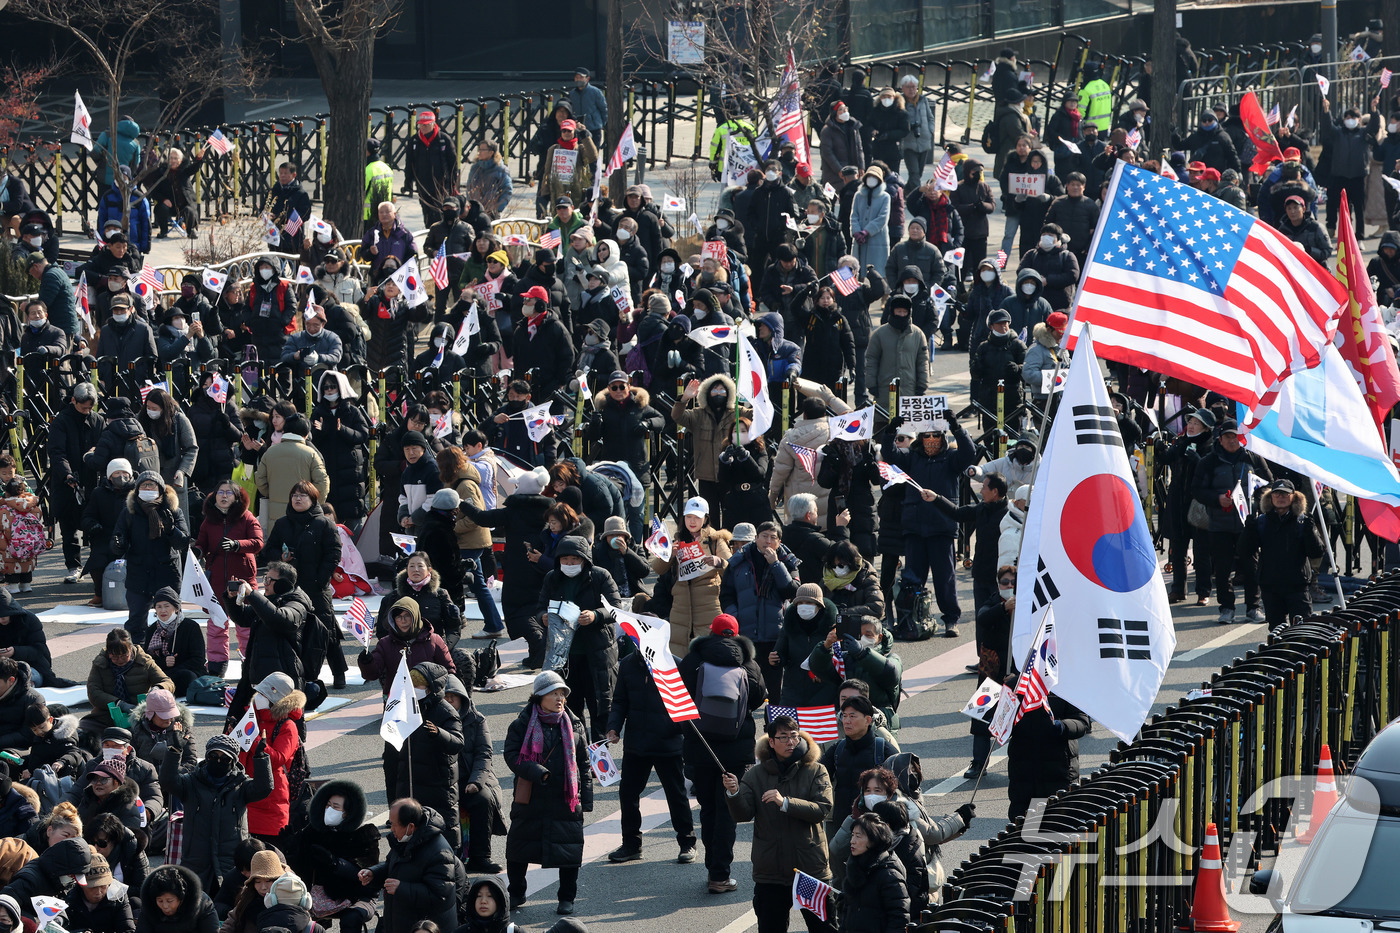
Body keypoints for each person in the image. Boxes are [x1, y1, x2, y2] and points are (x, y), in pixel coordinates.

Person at [722, 714, 833, 933]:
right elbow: (742, 814)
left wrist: (786, 803)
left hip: (809, 867)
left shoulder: (816, 770)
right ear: (771, 742)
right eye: (783, 737)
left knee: (824, 928)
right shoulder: (755, 775)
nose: (790, 742)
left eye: (794, 736)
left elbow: (823, 809)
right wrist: (733, 793)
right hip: (771, 871)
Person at [502, 673, 593, 915]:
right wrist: (535, 771)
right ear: (539, 695)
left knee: (569, 851)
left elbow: (583, 763)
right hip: (531, 796)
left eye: (562, 693)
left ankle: (566, 898)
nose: (559, 698)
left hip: (566, 799)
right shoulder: (522, 723)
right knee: (518, 848)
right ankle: (517, 892)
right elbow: (512, 755)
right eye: (554, 693)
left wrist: (586, 798)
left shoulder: (574, 724)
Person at [603, 645, 696, 865]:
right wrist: (613, 727)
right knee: (628, 794)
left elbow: (688, 704)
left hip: (668, 742)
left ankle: (687, 843)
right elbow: (619, 701)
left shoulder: (675, 664)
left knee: (676, 795)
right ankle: (631, 844)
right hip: (637, 743)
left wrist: (679, 731)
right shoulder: (627, 664)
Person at [889, 412, 977, 637]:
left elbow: (970, 453)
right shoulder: (912, 457)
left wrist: (957, 426)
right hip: (915, 526)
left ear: (943, 437)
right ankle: (912, 618)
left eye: (935, 436)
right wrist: (892, 430)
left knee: (944, 577)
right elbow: (890, 454)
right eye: (926, 435)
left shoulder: (951, 458)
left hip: (941, 526)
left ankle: (950, 619)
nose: (930, 440)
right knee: (913, 577)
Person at [159, 732, 272, 895]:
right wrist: (175, 750)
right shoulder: (190, 782)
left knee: (230, 909)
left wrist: (261, 757)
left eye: (225, 758)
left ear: (233, 762)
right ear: (206, 757)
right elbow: (167, 781)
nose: (219, 761)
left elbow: (264, 788)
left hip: (230, 860)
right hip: (196, 859)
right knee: (195, 905)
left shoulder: (240, 786)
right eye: (214, 756)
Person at [1191, 419, 1273, 623]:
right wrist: (1217, 499)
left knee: (1251, 567)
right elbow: (1197, 490)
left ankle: (1253, 607)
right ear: (1220, 438)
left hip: (1248, 522)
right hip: (1219, 523)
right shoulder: (1208, 461)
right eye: (1228, 436)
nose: (1232, 440)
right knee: (1222, 568)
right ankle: (1226, 608)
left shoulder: (1253, 458)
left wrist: (1257, 496)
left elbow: (1269, 484)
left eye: (1236, 436)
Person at [263, 481, 344, 686]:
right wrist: (281, 557)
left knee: (326, 630)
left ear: (313, 499)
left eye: (303, 496)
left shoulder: (324, 524)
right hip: (288, 588)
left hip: (316, 586)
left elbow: (333, 553)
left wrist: (321, 579)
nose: (298, 499)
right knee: (292, 630)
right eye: (294, 495)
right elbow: (268, 550)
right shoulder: (282, 523)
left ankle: (339, 672)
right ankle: (299, 674)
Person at [721, 522, 800, 702]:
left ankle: (773, 727)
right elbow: (726, 594)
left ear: (779, 542)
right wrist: (736, 618)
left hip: (775, 635)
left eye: (773, 538)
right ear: (756, 538)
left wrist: (776, 565)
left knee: (774, 691)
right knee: (746, 687)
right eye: (764, 536)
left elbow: (793, 591)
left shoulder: (787, 561)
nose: (768, 541)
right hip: (746, 634)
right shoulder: (740, 560)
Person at [290, 780, 380, 933]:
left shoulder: (364, 836)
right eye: (328, 805)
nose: (329, 809)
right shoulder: (314, 832)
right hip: (320, 895)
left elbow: (366, 875)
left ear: (347, 812)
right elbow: (299, 869)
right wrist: (290, 849)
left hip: (356, 896)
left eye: (335, 807)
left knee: (351, 918)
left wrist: (335, 864)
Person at [1237, 480, 1325, 625]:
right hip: (1270, 586)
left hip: (1297, 585)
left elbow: (1317, 552)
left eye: (1285, 494)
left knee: (1302, 630)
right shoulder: (1262, 521)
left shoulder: (1302, 521)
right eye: (1277, 493)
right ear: (1270, 497)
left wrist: (1310, 532)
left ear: (1293, 497)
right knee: (1276, 630)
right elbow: (1245, 551)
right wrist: (1248, 530)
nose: (1280, 497)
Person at [1004, 677, 1091, 820]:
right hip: (1023, 770)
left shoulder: (1066, 685)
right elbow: (998, 718)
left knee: (1059, 824)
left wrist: (1063, 726)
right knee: (1025, 828)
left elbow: (1082, 721)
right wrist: (996, 724)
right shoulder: (1015, 684)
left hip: (1059, 768)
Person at [80, 629, 174, 733]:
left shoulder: (144, 661)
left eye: (124, 655)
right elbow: (93, 692)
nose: (120, 660)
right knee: (83, 730)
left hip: (141, 713)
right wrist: (119, 704)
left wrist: (157, 689)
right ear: (108, 652)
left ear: (131, 649)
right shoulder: (100, 664)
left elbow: (167, 682)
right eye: (115, 657)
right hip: (107, 714)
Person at [254, 417, 330, 536]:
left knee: (278, 549)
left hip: (275, 515)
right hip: (305, 515)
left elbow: (259, 479)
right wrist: (313, 503)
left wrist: (272, 494)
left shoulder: (270, 452)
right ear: (306, 434)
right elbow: (322, 483)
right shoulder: (311, 453)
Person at [836, 813, 909, 933]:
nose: (852, 841)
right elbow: (846, 910)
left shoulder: (889, 875)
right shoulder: (854, 867)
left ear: (873, 840)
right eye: (852, 835)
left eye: (858, 836)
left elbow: (899, 918)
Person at [1, 837, 93, 916]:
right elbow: (4, 904)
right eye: (71, 876)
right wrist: (31, 920)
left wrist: (59, 919)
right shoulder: (29, 880)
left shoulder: (60, 881)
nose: (72, 881)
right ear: (61, 868)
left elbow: (60, 905)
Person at [144, 587, 207, 696]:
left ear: (176, 608)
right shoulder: (152, 629)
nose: (163, 610)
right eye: (159, 607)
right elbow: (147, 659)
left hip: (185, 672)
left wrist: (174, 668)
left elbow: (198, 659)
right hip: (161, 672)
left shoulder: (191, 627)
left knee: (187, 676)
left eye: (167, 606)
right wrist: (164, 663)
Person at [865, 297, 928, 399]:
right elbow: (871, 360)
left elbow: (923, 361)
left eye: (905, 311)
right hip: (884, 390)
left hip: (910, 390)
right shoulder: (879, 334)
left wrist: (922, 384)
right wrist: (871, 384)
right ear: (892, 311)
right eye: (899, 311)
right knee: (884, 414)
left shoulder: (918, 334)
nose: (902, 314)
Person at [405, 111, 459, 221]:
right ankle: (430, 233)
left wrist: (453, 183)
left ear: (433, 124)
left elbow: (453, 164)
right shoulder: (414, 141)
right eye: (421, 125)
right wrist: (408, 181)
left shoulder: (444, 140)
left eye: (426, 124)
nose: (423, 127)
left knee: (441, 211)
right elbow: (409, 162)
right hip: (423, 184)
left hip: (441, 184)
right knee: (427, 212)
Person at [136, 864, 219, 933]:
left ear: (181, 898)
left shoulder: (203, 904)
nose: (165, 906)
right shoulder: (149, 906)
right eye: (160, 901)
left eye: (169, 901)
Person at [65, 852, 134, 933]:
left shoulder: (118, 896)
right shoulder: (69, 899)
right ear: (81, 885)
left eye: (103, 886)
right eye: (92, 887)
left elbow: (128, 929)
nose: (98, 892)